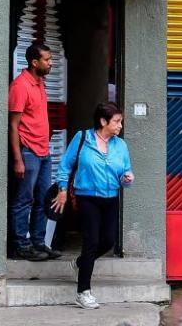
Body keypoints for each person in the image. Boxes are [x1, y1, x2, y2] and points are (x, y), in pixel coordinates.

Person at [52, 102, 134, 310]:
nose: (120, 126)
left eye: (120, 121)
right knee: (91, 241)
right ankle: (83, 292)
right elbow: (65, 165)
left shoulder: (120, 146)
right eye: (116, 121)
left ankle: (80, 263)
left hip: (111, 197)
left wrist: (127, 178)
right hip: (87, 197)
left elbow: (125, 173)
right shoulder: (82, 139)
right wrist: (62, 189)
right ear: (103, 121)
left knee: (108, 240)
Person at [8, 42, 61, 261]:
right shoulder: (20, 86)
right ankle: (21, 245)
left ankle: (39, 242)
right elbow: (13, 125)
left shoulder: (40, 84)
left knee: (42, 199)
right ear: (34, 62)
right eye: (47, 60)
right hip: (28, 152)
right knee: (24, 200)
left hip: (44, 152)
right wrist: (18, 159)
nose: (51, 63)